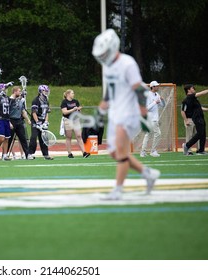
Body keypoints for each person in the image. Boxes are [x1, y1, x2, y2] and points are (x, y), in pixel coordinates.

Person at [91, 28, 160, 200]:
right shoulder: (108, 68)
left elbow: (139, 90)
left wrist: (143, 116)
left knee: (121, 151)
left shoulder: (128, 63)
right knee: (115, 153)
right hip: (115, 113)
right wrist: (100, 111)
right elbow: (109, 93)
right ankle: (148, 173)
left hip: (129, 113)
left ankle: (118, 190)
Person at [181, 84, 208, 156]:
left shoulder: (194, 99)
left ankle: (201, 150)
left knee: (203, 134)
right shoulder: (190, 97)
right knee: (199, 133)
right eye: (192, 88)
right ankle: (187, 146)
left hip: (200, 117)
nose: (194, 89)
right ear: (188, 90)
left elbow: (199, 108)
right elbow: (202, 93)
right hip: (195, 118)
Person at [60, 89, 90, 158]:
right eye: (72, 93)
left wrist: (78, 110)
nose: (73, 94)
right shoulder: (64, 102)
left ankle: (84, 152)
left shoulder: (75, 101)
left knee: (79, 136)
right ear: (68, 94)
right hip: (68, 120)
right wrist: (73, 109)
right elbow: (64, 112)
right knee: (69, 137)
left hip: (76, 120)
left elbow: (79, 112)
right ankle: (69, 153)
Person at [140, 81, 166, 157]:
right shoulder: (148, 95)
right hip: (151, 118)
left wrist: (162, 100)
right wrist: (155, 102)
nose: (158, 87)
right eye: (156, 86)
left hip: (154, 118)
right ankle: (153, 151)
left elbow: (162, 105)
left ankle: (143, 152)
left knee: (148, 134)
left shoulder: (157, 94)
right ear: (152, 87)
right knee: (158, 133)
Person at [27, 85, 53, 160]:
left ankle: (46, 154)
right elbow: (34, 112)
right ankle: (30, 154)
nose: (47, 92)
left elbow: (46, 112)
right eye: (45, 91)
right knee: (34, 137)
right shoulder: (36, 100)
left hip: (42, 121)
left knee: (44, 138)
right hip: (36, 121)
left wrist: (46, 122)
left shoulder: (46, 100)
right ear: (40, 91)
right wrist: (37, 122)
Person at [7, 86, 31, 159]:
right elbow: (6, 112)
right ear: (15, 92)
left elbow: (23, 111)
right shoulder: (10, 100)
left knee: (23, 138)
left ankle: (27, 154)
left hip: (19, 120)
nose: (20, 93)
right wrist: (9, 122)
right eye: (19, 91)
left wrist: (28, 120)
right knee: (10, 139)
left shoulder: (21, 100)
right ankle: (5, 154)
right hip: (12, 120)